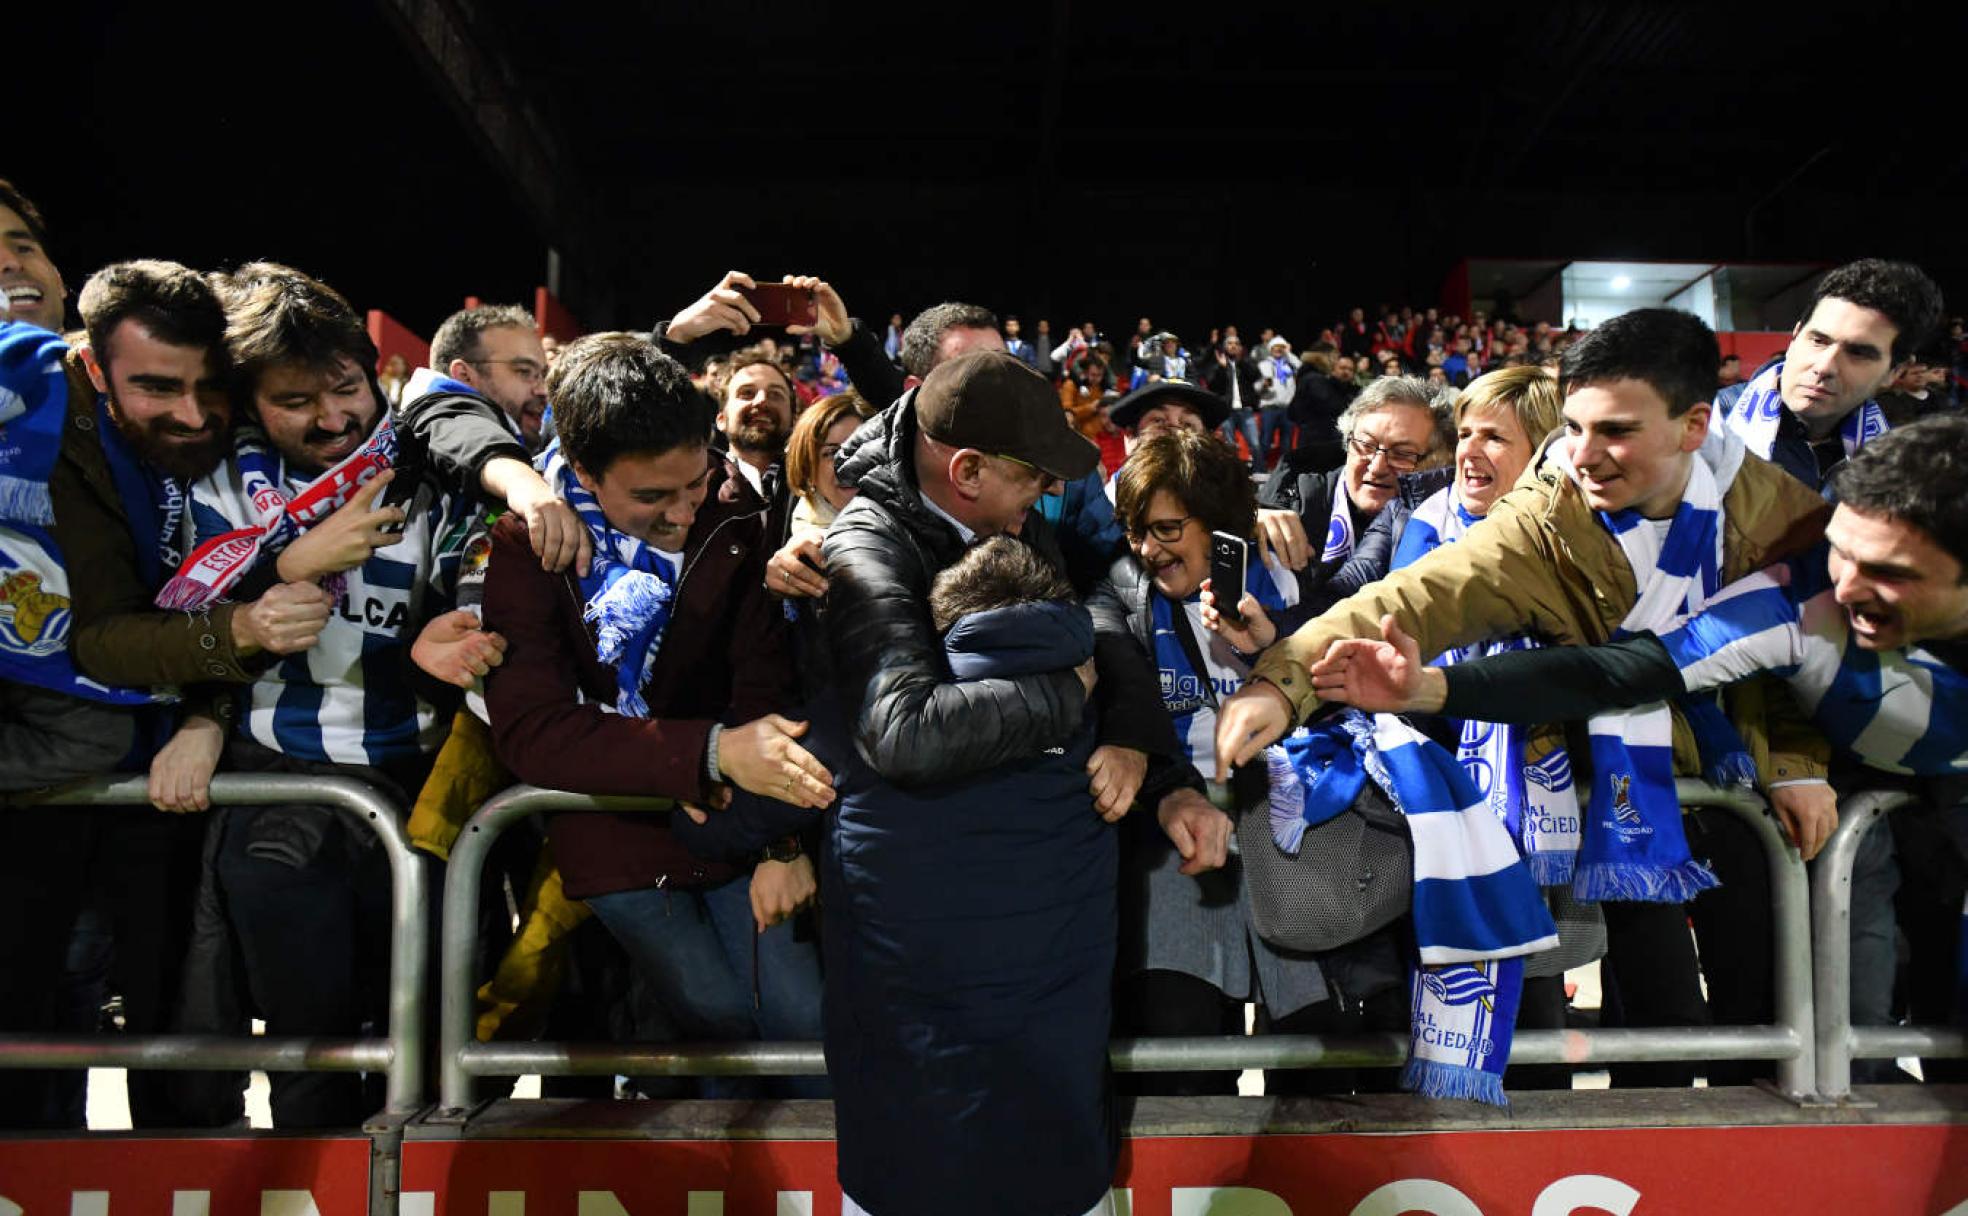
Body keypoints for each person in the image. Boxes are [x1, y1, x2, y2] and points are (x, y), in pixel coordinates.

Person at [1219, 307, 1835, 1088]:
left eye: (1614, 430)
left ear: (1693, 425)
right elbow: (1419, 596)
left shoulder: (1782, 518)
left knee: (1757, 1026)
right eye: (1571, 426)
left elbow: (1809, 664)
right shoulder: (1547, 514)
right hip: (1603, 797)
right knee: (1647, 1026)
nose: (1583, 455)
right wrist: (1285, 681)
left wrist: (1796, 764)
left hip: (1731, 783)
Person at [1310, 414, 1968, 1078]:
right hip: (1872, 791)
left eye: (1888, 570)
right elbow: (1611, 672)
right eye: (1842, 552)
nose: (1847, 586)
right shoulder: (1796, 601)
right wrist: (1428, 689)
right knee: (1855, 1039)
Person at [819, 350, 1179, 1215]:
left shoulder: (1007, 521)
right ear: (966, 471)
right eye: (1033, 478)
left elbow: (1097, 618)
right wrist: (1065, 695)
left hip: (1034, 924)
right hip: (920, 931)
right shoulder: (864, 542)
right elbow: (902, 730)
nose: (1046, 498)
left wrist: (1131, 737)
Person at [481, 332, 829, 1098]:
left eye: (695, 484)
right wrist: (707, 752)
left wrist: (782, 843)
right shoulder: (523, 546)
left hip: (742, 824)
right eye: (651, 498)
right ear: (582, 474)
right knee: (711, 1016)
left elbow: (768, 689)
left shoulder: (737, 515)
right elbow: (533, 730)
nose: (682, 513)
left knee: (804, 1017)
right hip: (612, 830)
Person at [1092, 428, 1405, 1097]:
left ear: (1219, 517)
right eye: (1137, 530)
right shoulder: (1120, 590)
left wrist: (1276, 646)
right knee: (1183, 1070)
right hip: (1178, 853)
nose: (1149, 549)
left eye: (1168, 528)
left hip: (1298, 846)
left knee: (1317, 1069)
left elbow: (1356, 694)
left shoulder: (1292, 569)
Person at [1715, 259, 1942, 490]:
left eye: (1857, 353)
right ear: (1795, 337)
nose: (1824, 367)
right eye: (1818, 340)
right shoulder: (1705, 426)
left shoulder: (1899, 464)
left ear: (1895, 372)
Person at [1257, 375, 1453, 583]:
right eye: (1365, 445)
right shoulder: (1298, 497)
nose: (1377, 467)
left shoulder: (1452, 530)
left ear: (1439, 461)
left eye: (1402, 453)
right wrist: (1249, 523)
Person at [422, 304, 552, 449]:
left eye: (543, 375)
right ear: (464, 375)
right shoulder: (451, 430)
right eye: (524, 371)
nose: (543, 391)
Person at [785, 389, 875, 534]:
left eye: (858, 448)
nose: (848, 464)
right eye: (832, 453)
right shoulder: (804, 549)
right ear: (808, 470)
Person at [1200, 333, 1267, 471]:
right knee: (1229, 446)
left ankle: (1260, 472)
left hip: (1246, 411)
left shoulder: (1246, 362)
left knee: (1255, 444)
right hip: (1226, 411)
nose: (1233, 346)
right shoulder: (1217, 364)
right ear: (1224, 347)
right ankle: (1233, 474)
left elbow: (1255, 376)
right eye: (1230, 344)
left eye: (1236, 344)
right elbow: (1211, 385)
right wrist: (1221, 368)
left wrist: (1241, 361)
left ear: (1240, 348)